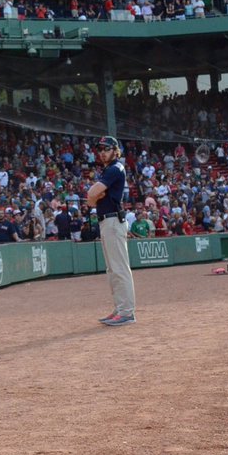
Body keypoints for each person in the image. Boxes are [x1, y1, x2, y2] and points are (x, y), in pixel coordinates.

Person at [87, 135, 134, 326]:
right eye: (100, 149)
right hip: (107, 222)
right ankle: (120, 308)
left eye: (106, 149)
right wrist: (94, 197)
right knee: (112, 269)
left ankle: (127, 312)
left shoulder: (115, 168)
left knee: (119, 268)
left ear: (115, 150)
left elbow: (91, 195)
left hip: (114, 221)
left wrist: (94, 197)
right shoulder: (109, 169)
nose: (102, 152)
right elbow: (91, 197)